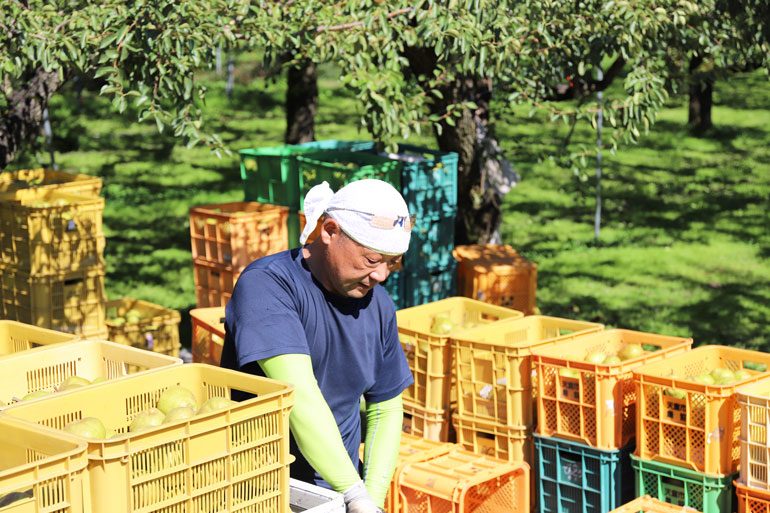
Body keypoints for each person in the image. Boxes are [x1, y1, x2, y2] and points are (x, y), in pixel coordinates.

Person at [220, 178, 414, 513]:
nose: (381, 275)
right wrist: (355, 494)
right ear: (329, 230)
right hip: (263, 488)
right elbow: (299, 395)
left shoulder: (378, 305)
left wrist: (370, 499)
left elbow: (386, 407)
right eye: (371, 260)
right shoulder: (268, 286)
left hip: (338, 493)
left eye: (393, 262)